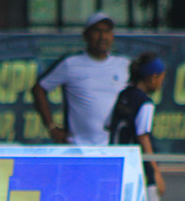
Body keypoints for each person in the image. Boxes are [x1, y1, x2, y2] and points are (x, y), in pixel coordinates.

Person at [31, 12, 129, 146]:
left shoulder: (124, 65)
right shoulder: (71, 64)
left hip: (114, 147)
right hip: (78, 147)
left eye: (107, 31)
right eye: (97, 31)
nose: (102, 37)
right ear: (86, 35)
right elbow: (39, 89)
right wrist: (52, 127)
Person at [107, 52, 166, 201]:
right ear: (153, 77)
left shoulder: (124, 95)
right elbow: (143, 135)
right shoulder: (145, 103)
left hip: (118, 165)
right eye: (161, 79)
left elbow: (109, 125)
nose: (160, 84)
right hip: (139, 167)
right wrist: (155, 172)